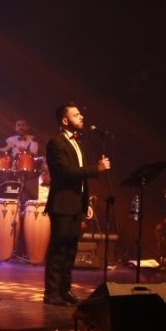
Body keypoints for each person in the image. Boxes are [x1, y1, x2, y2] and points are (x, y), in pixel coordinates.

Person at [42, 103, 111, 306]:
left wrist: (85, 201)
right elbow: (65, 172)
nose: (81, 117)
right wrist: (96, 168)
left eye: (80, 113)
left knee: (71, 250)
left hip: (76, 203)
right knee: (59, 249)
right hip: (62, 203)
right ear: (65, 120)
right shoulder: (55, 143)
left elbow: (80, 179)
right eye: (76, 114)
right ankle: (51, 293)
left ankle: (65, 290)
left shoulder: (77, 143)